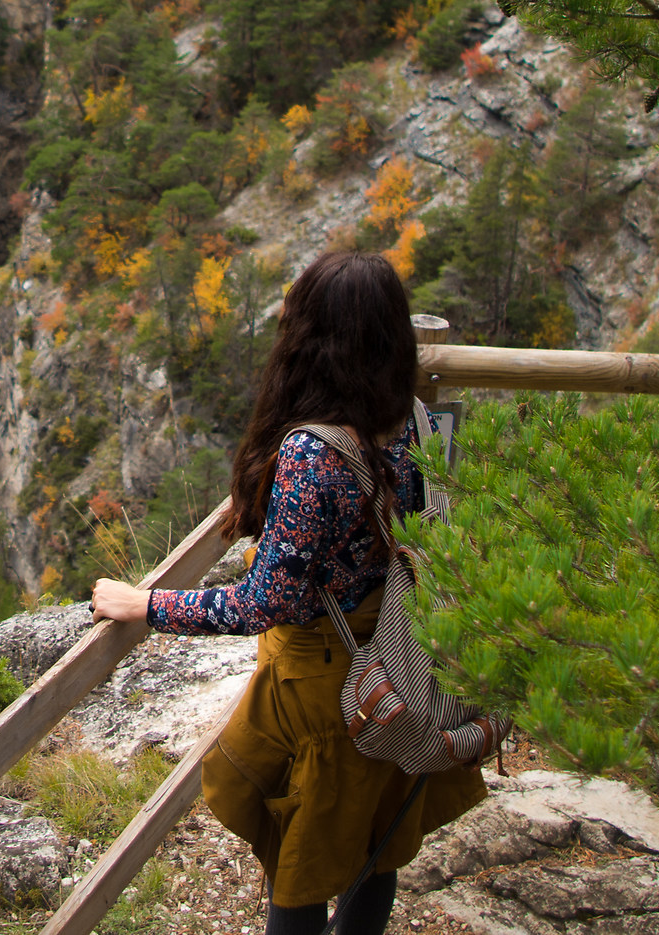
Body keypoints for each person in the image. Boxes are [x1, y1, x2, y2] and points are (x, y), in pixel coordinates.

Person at [90, 251, 497, 935]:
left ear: (311, 335)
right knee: (375, 835)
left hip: (328, 689)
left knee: (300, 858)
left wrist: (146, 604)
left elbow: (263, 602)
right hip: (398, 659)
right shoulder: (414, 420)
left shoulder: (314, 456)